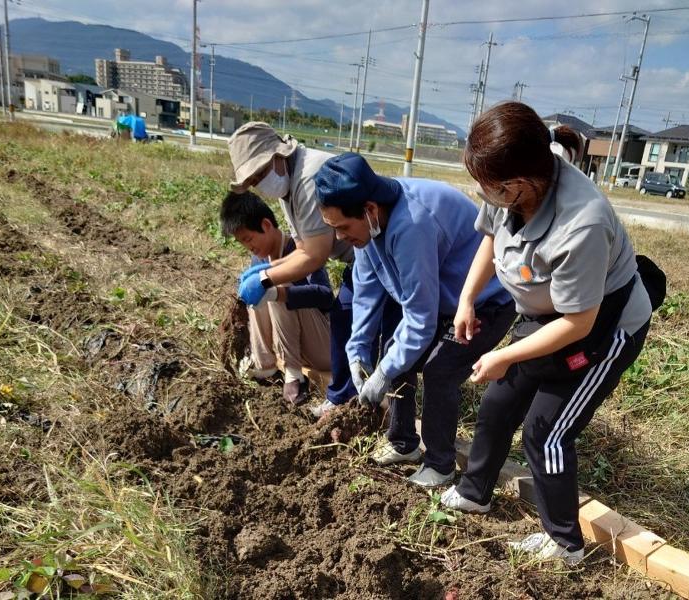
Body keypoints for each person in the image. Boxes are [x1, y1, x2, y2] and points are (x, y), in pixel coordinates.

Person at [440, 101, 653, 565]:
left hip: (603, 328)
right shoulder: (507, 188)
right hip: (546, 318)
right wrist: (467, 299)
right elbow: (492, 239)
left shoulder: (583, 221)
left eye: (488, 186)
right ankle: (475, 492)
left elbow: (579, 323)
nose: (483, 193)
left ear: (518, 182)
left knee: (547, 432)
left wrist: (506, 356)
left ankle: (565, 544)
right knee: (498, 405)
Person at [313, 153, 516, 488]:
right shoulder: (369, 228)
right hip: (444, 303)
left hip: (486, 303)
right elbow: (366, 292)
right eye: (334, 229)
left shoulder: (412, 225)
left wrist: (383, 373)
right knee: (395, 351)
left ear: (369, 210)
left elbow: (420, 320)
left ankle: (440, 464)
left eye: (343, 228)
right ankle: (403, 442)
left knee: (441, 369)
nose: (339, 238)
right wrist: (358, 350)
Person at [228, 122, 359, 418]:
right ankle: (273, 368)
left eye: (260, 174)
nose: (260, 183)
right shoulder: (289, 187)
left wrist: (267, 277)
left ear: (278, 156)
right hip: (356, 262)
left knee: (277, 293)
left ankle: (346, 393)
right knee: (271, 291)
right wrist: (265, 272)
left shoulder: (309, 177)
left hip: (367, 257)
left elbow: (313, 256)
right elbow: (304, 248)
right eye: (254, 180)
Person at [220, 190, 334, 406]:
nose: (249, 246)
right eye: (242, 243)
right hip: (293, 344)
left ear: (265, 225)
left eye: (249, 239)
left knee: (272, 282)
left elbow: (326, 295)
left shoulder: (299, 249)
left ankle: (293, 375)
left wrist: (280, 292)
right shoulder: (258, 259)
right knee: (254, 286)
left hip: (323, 346)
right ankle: (265, 366)